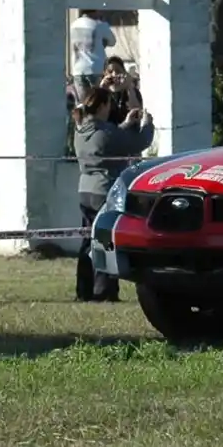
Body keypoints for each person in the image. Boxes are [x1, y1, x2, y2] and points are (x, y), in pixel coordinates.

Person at [73, 86, 153, 302]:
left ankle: (84, 289)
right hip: (104, 189)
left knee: (86, 242)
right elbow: (139, 142)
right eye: (109, 104)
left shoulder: (80, 130)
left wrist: (126, 123)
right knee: (105, 240)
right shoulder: (106, 132)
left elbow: (111, 136)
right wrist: (147, 123)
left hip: (85, 190)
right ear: (101, 106)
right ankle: (104, 290)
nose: (111, 108)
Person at [69, 10, 115, 100]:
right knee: (98, 101)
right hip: (95, 68)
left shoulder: (73, 25)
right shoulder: (99, 25)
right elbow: (113, 41)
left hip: (78, 69)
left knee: (83, 102)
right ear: (95, 11)